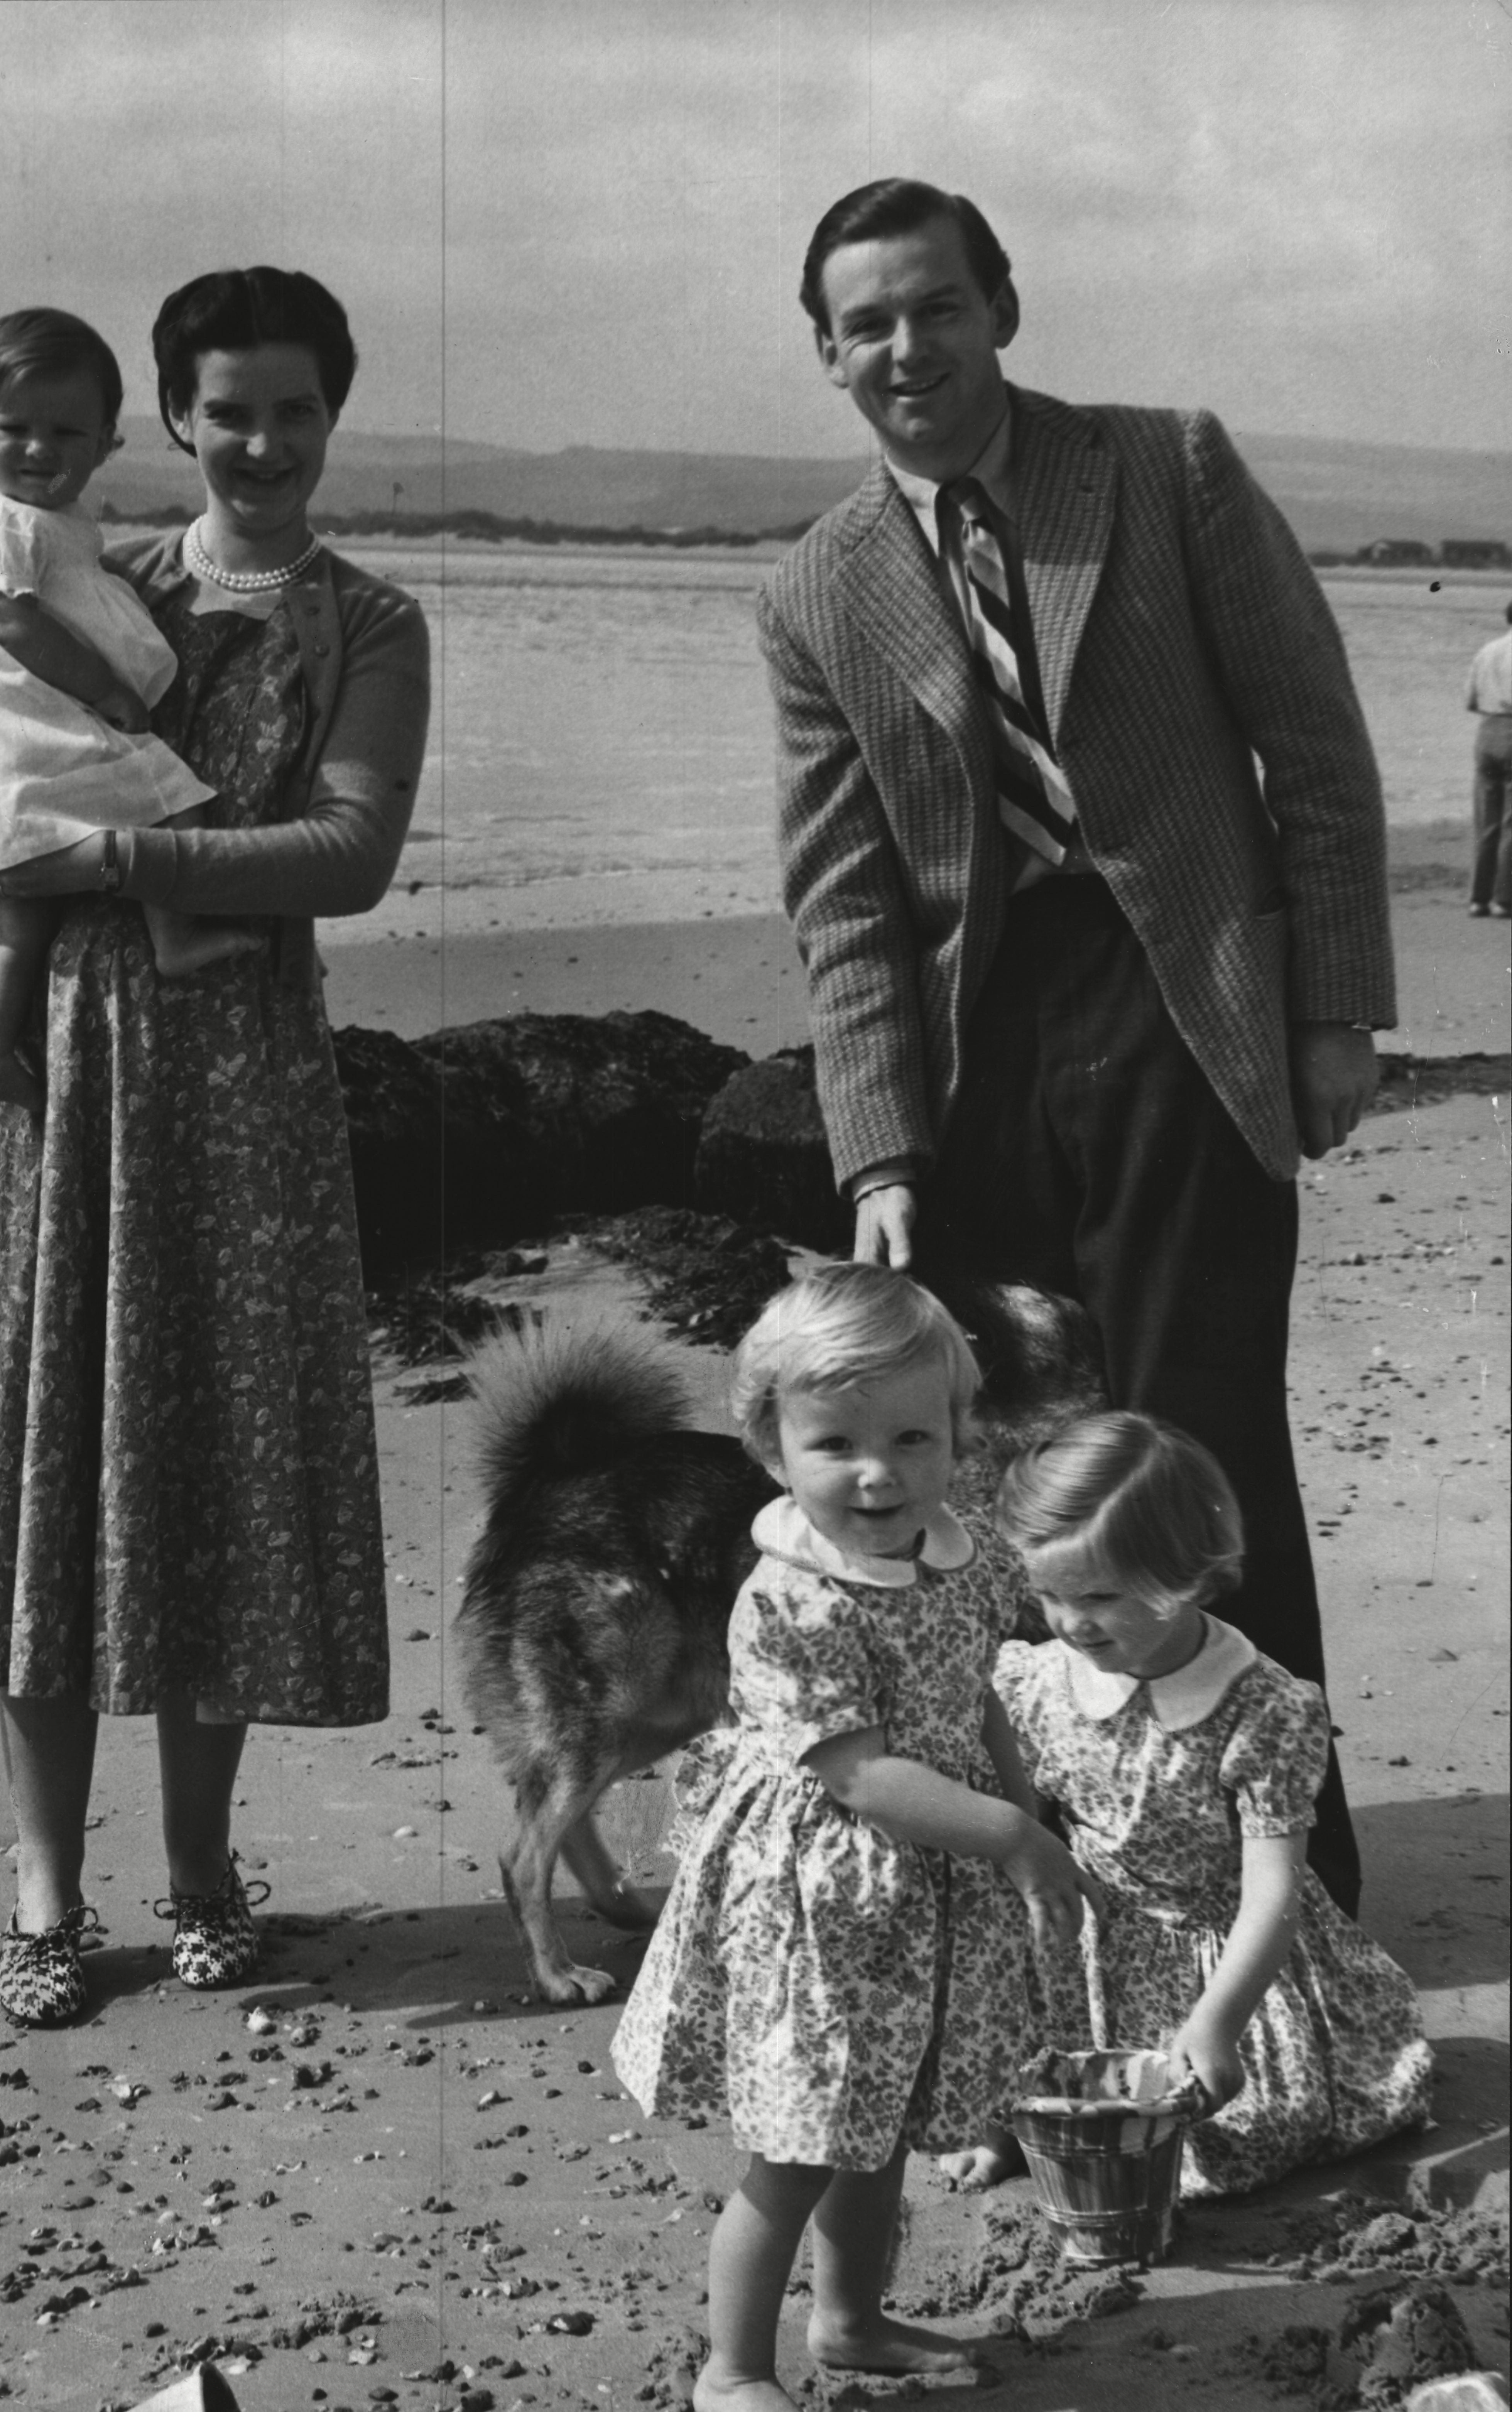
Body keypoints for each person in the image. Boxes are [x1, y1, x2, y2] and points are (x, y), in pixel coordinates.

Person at [759, 176, 1395, 1917]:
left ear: (1000, 311)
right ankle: (1084, 1870)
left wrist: (1329, 1010)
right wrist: (877, 1154)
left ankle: (1291, 1878)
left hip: (1178, 1002)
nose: (908, 346)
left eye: (935, 306)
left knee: (1189, 1446)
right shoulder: (814, 585)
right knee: (998, 1489)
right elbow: (843, 904)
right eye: (867, 323)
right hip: (977, 1066)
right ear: (826, 355)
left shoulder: (1161, 466)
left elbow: (1311, 750)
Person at [0, 266, 431, 2027]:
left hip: (236, 1083)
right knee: (38, 1462)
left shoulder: (368, 623)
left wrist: (108, 865)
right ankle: (47, 1890)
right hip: (45, 1072)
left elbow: (348, 853)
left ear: (332, 417)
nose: (259, 442)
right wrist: (70, 878)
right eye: (226, 411)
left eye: (292, 411)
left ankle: (205, 1869)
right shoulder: (75, 567)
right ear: (175, 419)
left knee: (208, 1464)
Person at [610, 1263, 1091, 2406]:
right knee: (796, 2147)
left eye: (914, 1436)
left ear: (962, 1436)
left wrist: (1021, 1810)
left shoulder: (958, 1557)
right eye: (836, 1442)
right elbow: (862, 1773)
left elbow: (977, 1704)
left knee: (878, 2134)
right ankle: (730, 2368)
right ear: (774, 1447)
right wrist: (1014, 1842)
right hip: (827, 1905)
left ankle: (850, 2318)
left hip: (932, 1890)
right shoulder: (794, 1598)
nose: (879, 1472)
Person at [965, 1412, 1432, 2199]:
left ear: (1184, 1575)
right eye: (1048, 1593)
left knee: (1234, 2136)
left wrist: (1218, 2023)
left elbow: (1273, 1892)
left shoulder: (1261, 1707)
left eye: (1103, 1596)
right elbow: (1013, 1809)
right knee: (1004, 2061)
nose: (1072, 1621)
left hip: (1216, 1946)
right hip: (1088, 1936)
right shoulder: (1042, 1680)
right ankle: (1016, 2131)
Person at [0, 307, 250, 1112]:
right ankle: (178, 935)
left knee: (20, 916)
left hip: (7, 731)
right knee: (168, 797)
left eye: (69, 435)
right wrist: (107, 690)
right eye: (16, 428)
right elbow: (10, 618)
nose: (40, 450)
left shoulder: (50, 521)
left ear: (108, 444)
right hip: (2, 731)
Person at [1463, 600, 1512, 917]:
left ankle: (1478, 898)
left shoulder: (1488, 650)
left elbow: (1470, 700)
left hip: (1488, 731)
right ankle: (1503, 899)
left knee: (1487, 821)